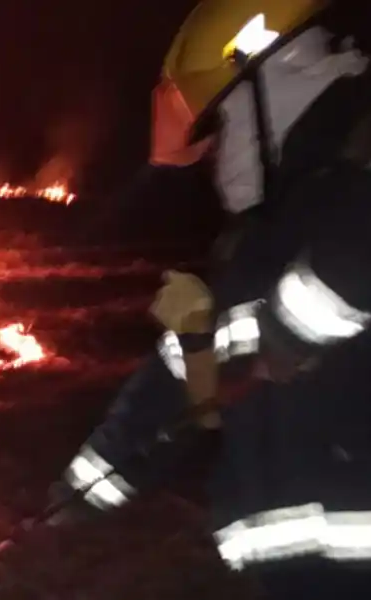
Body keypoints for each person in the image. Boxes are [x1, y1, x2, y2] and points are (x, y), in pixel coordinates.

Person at [47, 1, 371, 597]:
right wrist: (92, 480)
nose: (217, 158)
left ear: (266, 82)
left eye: (218, 129)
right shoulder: (274, 227)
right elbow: (189, 365)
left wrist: (293, 325)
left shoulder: (351, 179)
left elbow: (347, 268)